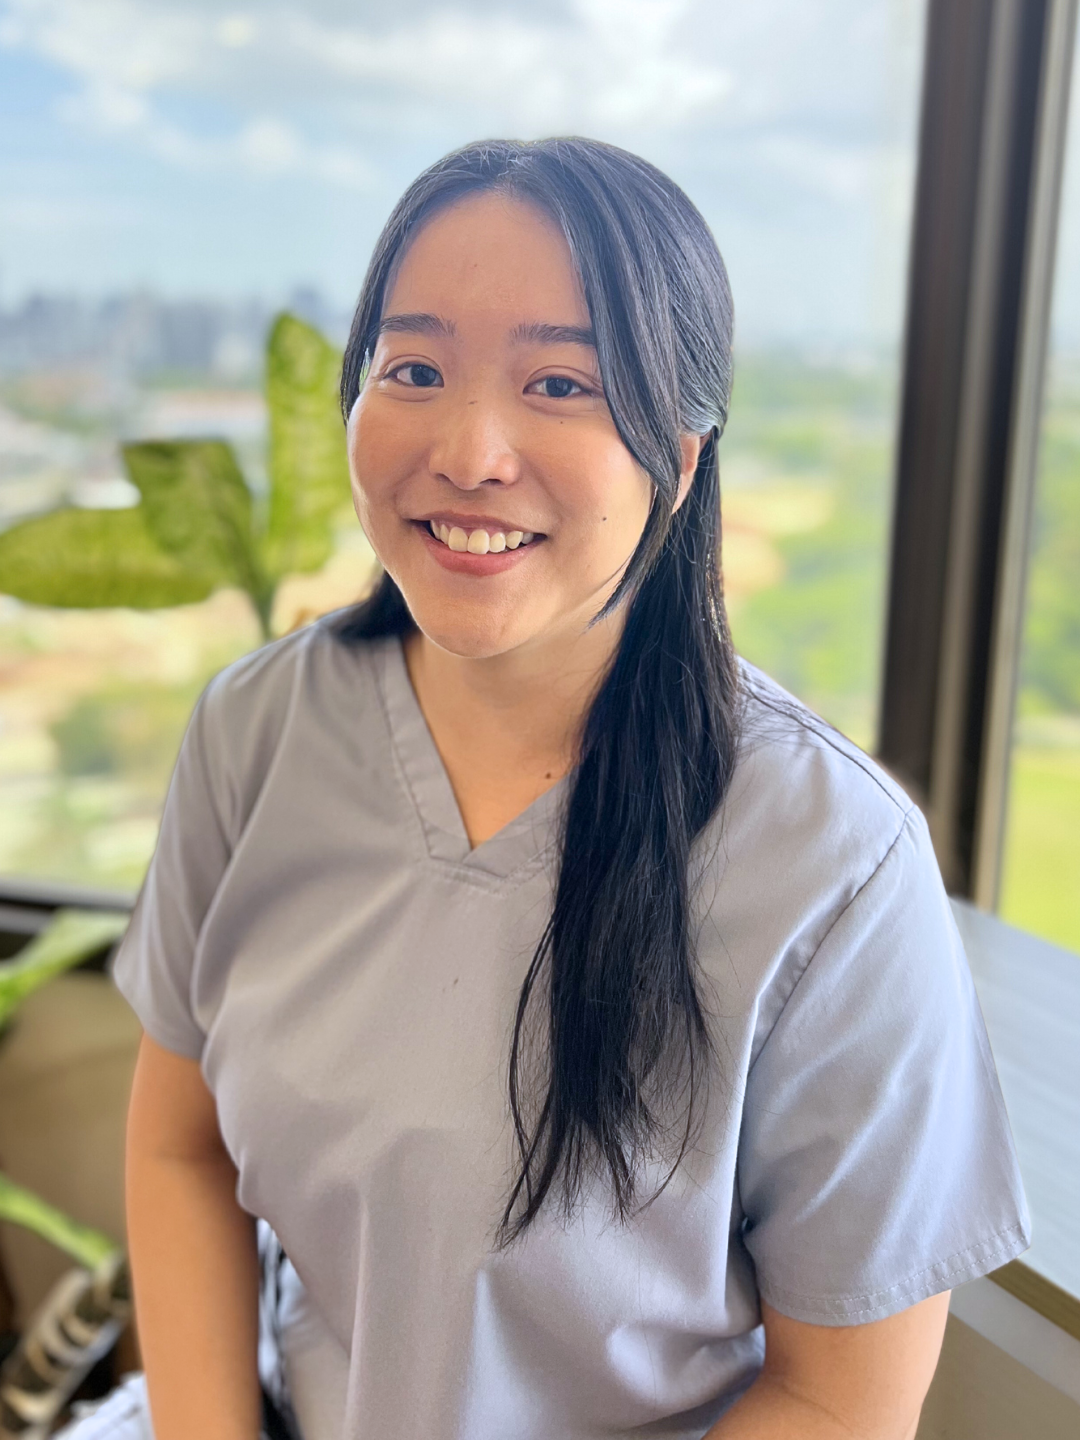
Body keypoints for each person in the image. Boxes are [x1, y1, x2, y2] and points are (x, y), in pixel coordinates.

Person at [88, 137, 1028, 1440]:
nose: (472, 450)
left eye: (561, 383)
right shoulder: (257, 731)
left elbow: (839, 1399)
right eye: (412, 369)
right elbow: (179, 1149)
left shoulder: (830, 865)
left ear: (681, 456)